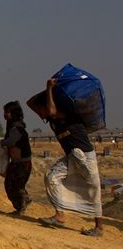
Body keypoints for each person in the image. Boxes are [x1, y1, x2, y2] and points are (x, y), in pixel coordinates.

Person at [29, 79, 103, 237]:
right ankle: (60, 215)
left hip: (86, 155)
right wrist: (49, 91)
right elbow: (33, 104)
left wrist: (49, 88)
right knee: (51, 177)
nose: (40, 114)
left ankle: (99, 227)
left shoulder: (67, 115)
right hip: (71, 156)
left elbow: (51, 111)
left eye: (41, 110)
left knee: (93, 189)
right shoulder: (53, 122)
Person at [0, 101, 33, 214]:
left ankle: (22, 207)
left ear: (14, 113)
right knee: (12, 185)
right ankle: (21, 204)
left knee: (16, 186)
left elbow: (11, 142)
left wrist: (3, 142)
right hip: (16, 163)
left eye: (7, 112)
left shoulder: (16, 129)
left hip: (22, 164)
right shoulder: (14, 127)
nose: (5, 114)